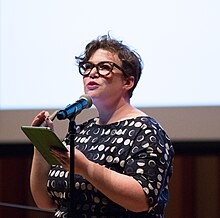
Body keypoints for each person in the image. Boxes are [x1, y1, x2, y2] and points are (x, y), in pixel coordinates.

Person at [30, 34, 174, 218]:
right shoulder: (81, 131)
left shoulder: (146, 130)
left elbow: (142, 200)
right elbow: (45, 202)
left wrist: (87, 168)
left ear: (128, 82)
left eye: (105, 67)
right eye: (88, 67)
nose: (92, 73)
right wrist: (40, 144)